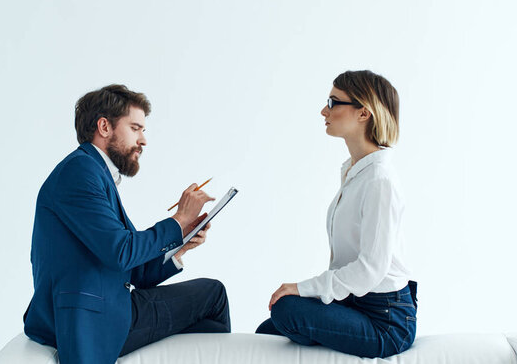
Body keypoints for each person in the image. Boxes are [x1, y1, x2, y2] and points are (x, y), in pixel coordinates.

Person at [23, 84, 231, 364]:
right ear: (104, 127)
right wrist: (178, 220)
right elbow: (121, 251)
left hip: (105, 305)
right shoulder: (80, 172)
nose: (143, 140)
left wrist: (180, 246)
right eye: (135, 128)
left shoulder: (93, 172)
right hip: (88, 318)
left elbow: (132, 270)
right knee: (213, 295)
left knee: (211, 293)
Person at [256, 70, 417, 358]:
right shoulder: (355, 172)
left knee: (287, 310)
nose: (323, 110)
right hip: (355, 302)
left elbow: (370, 270)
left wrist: (304, 288)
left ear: (363, 113)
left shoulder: (379, 180)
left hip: (387, 321)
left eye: (333, 102)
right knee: (267, 332)